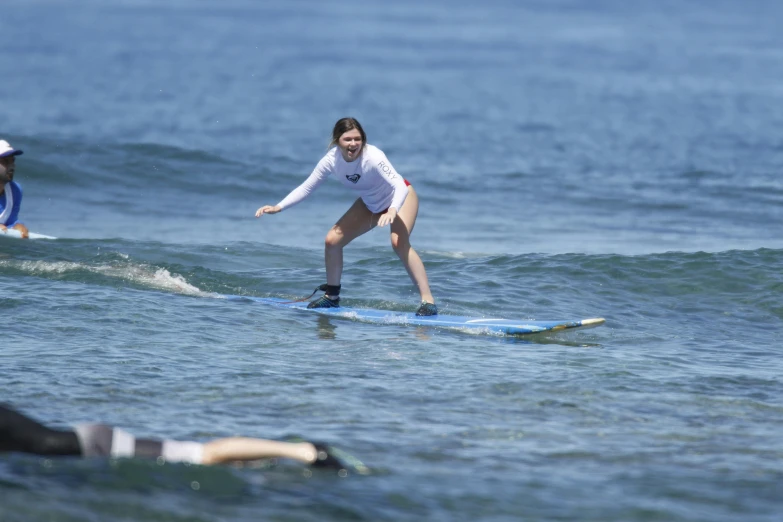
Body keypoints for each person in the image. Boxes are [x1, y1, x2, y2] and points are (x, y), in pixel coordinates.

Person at [255, 118, 438, 316]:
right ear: (337, 141)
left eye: (357, 139)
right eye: (347, 139)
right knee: (332, 240)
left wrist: (393, 209)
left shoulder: (373, 156)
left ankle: (427, 301)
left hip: (401, 198)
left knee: (398, 242)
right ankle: (332, 297)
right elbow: (307, 187)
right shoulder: (331, 160)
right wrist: (279, 207)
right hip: (371, 203)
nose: (353, 144)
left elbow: (399, 185)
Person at [0, 404, 366, 474]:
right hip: (87, 442)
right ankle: (270, 460)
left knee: (203, 455)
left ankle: (305, 451)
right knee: (204, 456)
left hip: (95, 445)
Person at [0, 140, 29, 239]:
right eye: (5, 161)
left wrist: (18, 226)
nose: (12, 166)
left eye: (13, 161)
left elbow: (10, 221)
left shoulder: (15, 191)